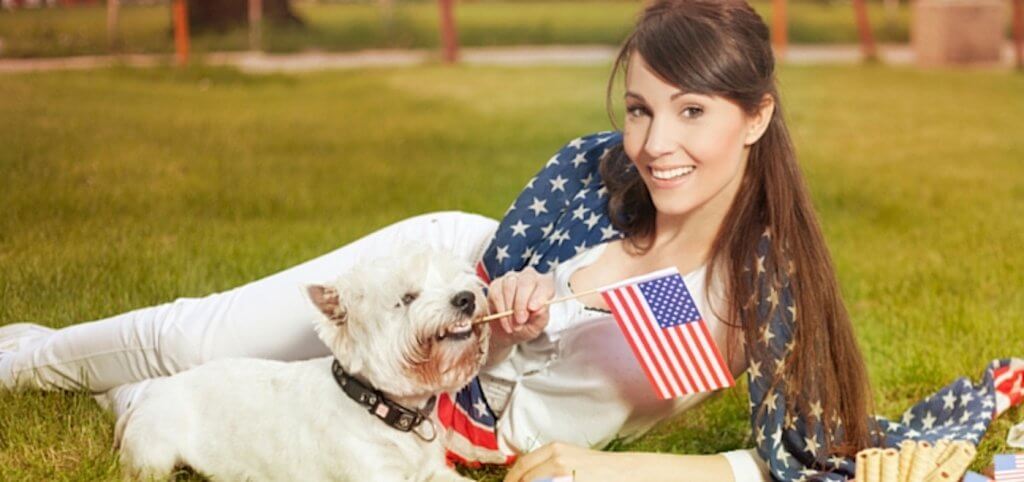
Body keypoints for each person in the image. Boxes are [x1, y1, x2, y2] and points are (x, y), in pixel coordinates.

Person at [2, 1, 1022, 481]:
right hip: (430, 280)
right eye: (640, 109)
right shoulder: (597, 172)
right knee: (195, 340)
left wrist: (603, 464)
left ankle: (121, 394)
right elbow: (476, 279)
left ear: (757, 115)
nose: (655, 145)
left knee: (215, 386)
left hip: (447, 423)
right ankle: (28, 356)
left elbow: (785, 457)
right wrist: (503, 292)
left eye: (692, 114)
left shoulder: (756, 286)